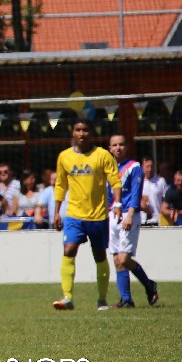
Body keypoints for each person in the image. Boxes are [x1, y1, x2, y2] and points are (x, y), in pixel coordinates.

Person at [52, 120, 120, 311]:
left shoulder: (103, 155)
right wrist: (56, 212)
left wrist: (118, 204)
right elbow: (60, 185)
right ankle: (67, 297)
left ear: (91, 133)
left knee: (99, 256)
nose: (82, 133)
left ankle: (102, 300)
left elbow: (115, 181)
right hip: (74, 215)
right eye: (78, 130)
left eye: (85, 130)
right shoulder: (64, 157)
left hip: (98, 216)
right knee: (69, 249)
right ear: (73, 132)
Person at [106, 135, 159, 308]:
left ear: (127, 147)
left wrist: (130, 214)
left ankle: (148, 284)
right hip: (112, 215)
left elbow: (136, 193)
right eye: (114, 145)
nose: (118, 148)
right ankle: (126, 300)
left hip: (128, 214)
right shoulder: (109, 168)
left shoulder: (134, 167)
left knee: (124, 258)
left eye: (121, 144)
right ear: (109, 148)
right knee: (117, 259)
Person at [140, 158, 167, 225]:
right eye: (147, 167)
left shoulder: (161, 181)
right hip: (141, 221)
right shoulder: (138, 182)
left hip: (157, 221)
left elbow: (166, 201)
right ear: (142, 167)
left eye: (151, 166)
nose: (150, 169)